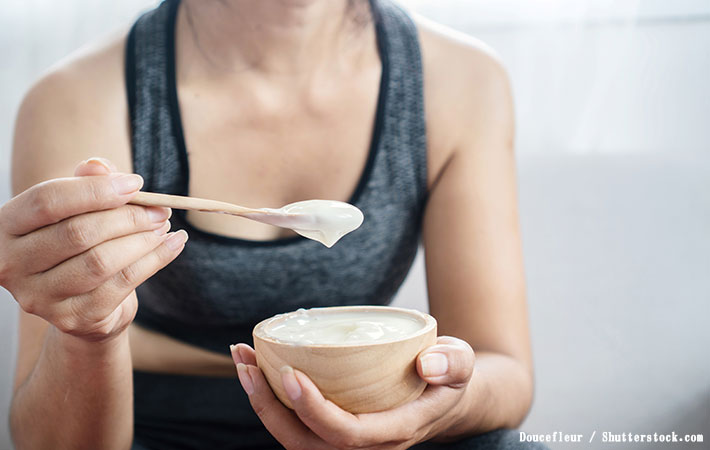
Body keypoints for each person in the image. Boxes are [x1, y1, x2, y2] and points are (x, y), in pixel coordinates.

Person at [2, 0, 546, 448]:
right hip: (155, 421)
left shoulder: (461, 80)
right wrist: (90, 335)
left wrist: (428, 414)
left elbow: (504, 372)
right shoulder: (77, 99)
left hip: (374, 404)